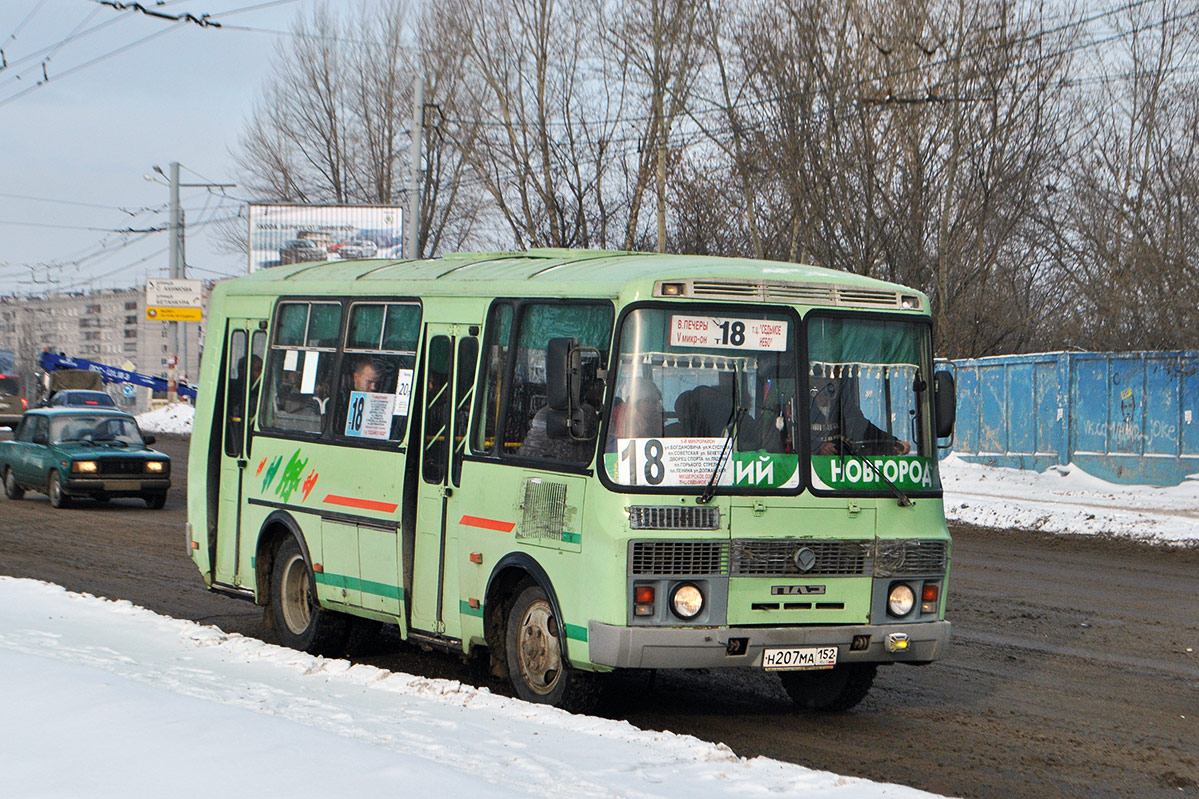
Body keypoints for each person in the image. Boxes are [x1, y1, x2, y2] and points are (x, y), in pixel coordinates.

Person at [809, 371, 909, 456]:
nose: (832, 384)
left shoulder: (845, 407)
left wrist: (894, 443)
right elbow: (796, 439)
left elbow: (865, 429)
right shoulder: (803, 406)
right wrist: (820, 447)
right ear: (813, 383)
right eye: (824, 379)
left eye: (835, 379)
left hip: (841, 467)